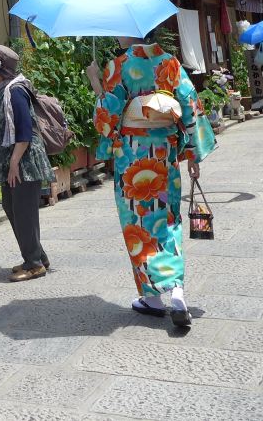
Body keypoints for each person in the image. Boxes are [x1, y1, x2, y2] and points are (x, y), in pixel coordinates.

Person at [95, 37, 212, 328]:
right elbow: (189, 106)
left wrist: (97, 84)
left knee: (139, 223)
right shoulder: (170, 63)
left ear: (124, 34)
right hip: (164, 152)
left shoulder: (119, 65)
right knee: (167, 218)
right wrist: (193, 154)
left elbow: (105, 117)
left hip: (132, 157)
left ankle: (155, 295)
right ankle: (176, 292)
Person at [0, 44, 53, 282]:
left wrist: (14, 163)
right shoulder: (3, 89)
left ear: (1, 71)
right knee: (13, 208)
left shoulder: (15, 91)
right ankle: (37, 256)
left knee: (23, 213)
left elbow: (24, 132)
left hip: (23, 163)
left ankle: (34, 265)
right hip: (16, 162)